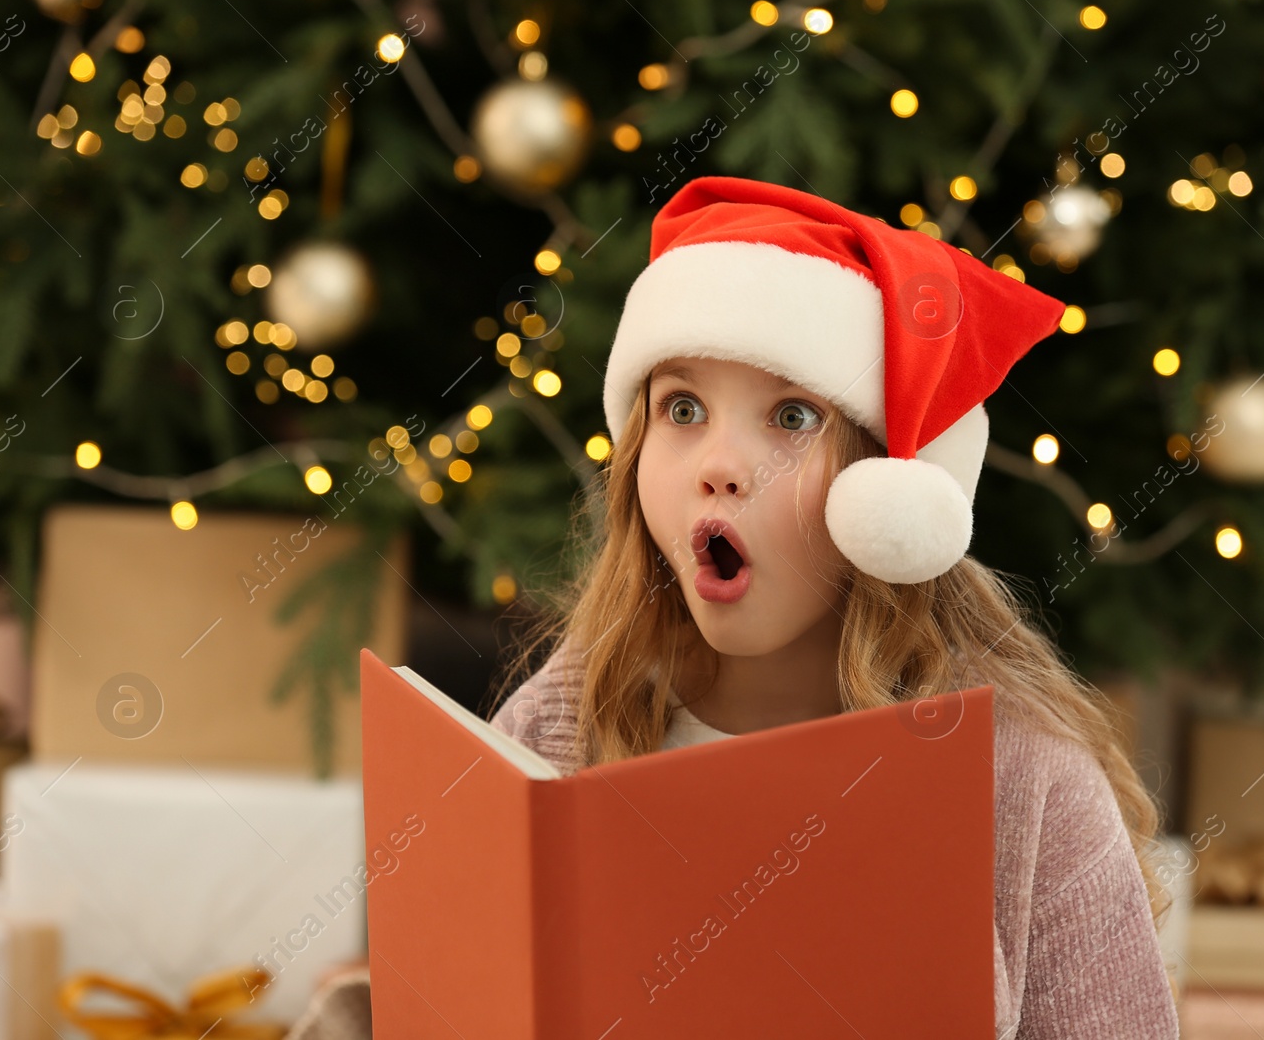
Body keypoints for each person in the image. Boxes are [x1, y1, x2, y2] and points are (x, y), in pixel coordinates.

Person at [487, 175, 1180, 1038]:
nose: (720, 462)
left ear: (887, 497)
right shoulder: (551, 729)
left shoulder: (1027, 785)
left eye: (790, 415)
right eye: (684, 407)